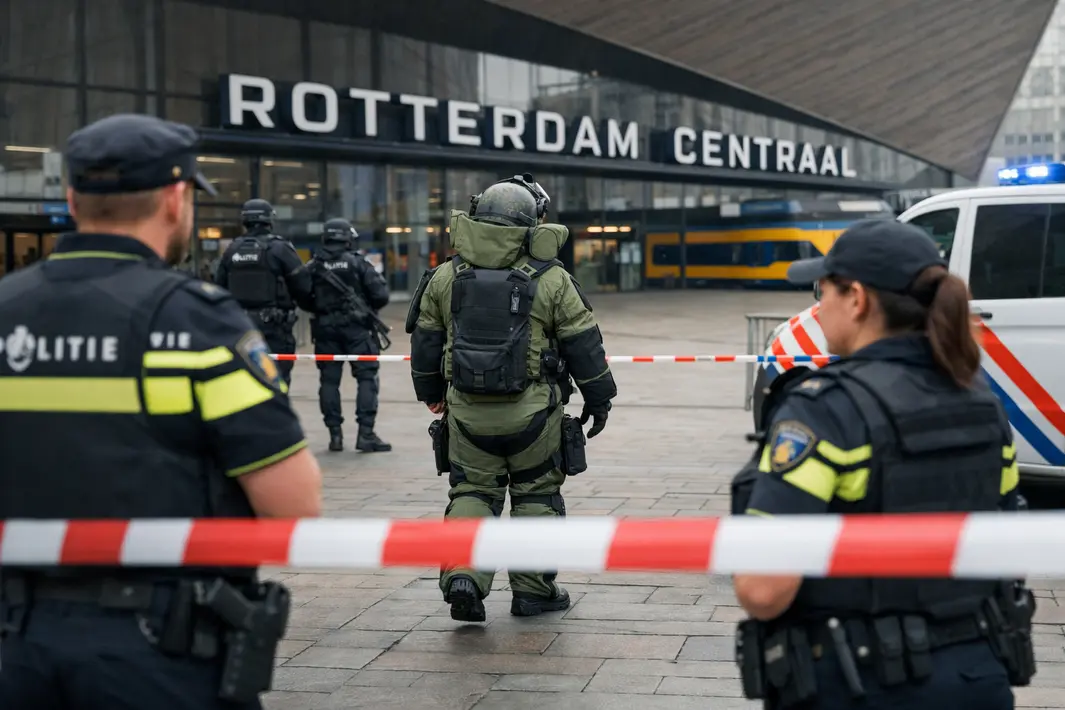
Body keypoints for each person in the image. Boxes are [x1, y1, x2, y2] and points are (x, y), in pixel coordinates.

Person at [0, 113, 323, 709]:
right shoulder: (195, 319)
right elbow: (293, 504)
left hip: (14, 642)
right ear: (176, 199)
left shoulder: (7, 308)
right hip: (156, 651)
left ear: (73, 198)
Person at [729, 219, 1035, 710]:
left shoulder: (825, 409)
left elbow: (765, 589)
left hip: (860, 682)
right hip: (977, 675)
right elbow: (1010, 544)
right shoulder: (980, 401)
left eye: (821, 289)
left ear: (857, 299)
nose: (816, 305)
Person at [407, 173, 617, 622]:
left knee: (471, 493)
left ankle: (464, 576)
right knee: (537, 497)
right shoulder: (552, 279)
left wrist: (430, 394)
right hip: (534, 419)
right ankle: (533, 592)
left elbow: (425, 345)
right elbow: (585, 345)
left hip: (466, 418)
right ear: (531, 225)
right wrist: (599, 400)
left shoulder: (445, 276)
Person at [306, 218, 392, 453]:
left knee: (329, 381)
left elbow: (302, 296)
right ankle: (366, 434)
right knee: (366, 378)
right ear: (347, 238)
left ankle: (335, 436)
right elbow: (381, 295)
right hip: (357, 330)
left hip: (325, 330)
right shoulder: (358, 263)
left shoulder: (314, 266)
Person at [215, 198, 314, 388]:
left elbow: (220, 288)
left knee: (244, 381)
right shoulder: (280, 248)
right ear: (269, 221)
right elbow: (303, 285)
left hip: (241, 327)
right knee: (277, 382)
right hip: (275, 328)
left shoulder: (232, 250)